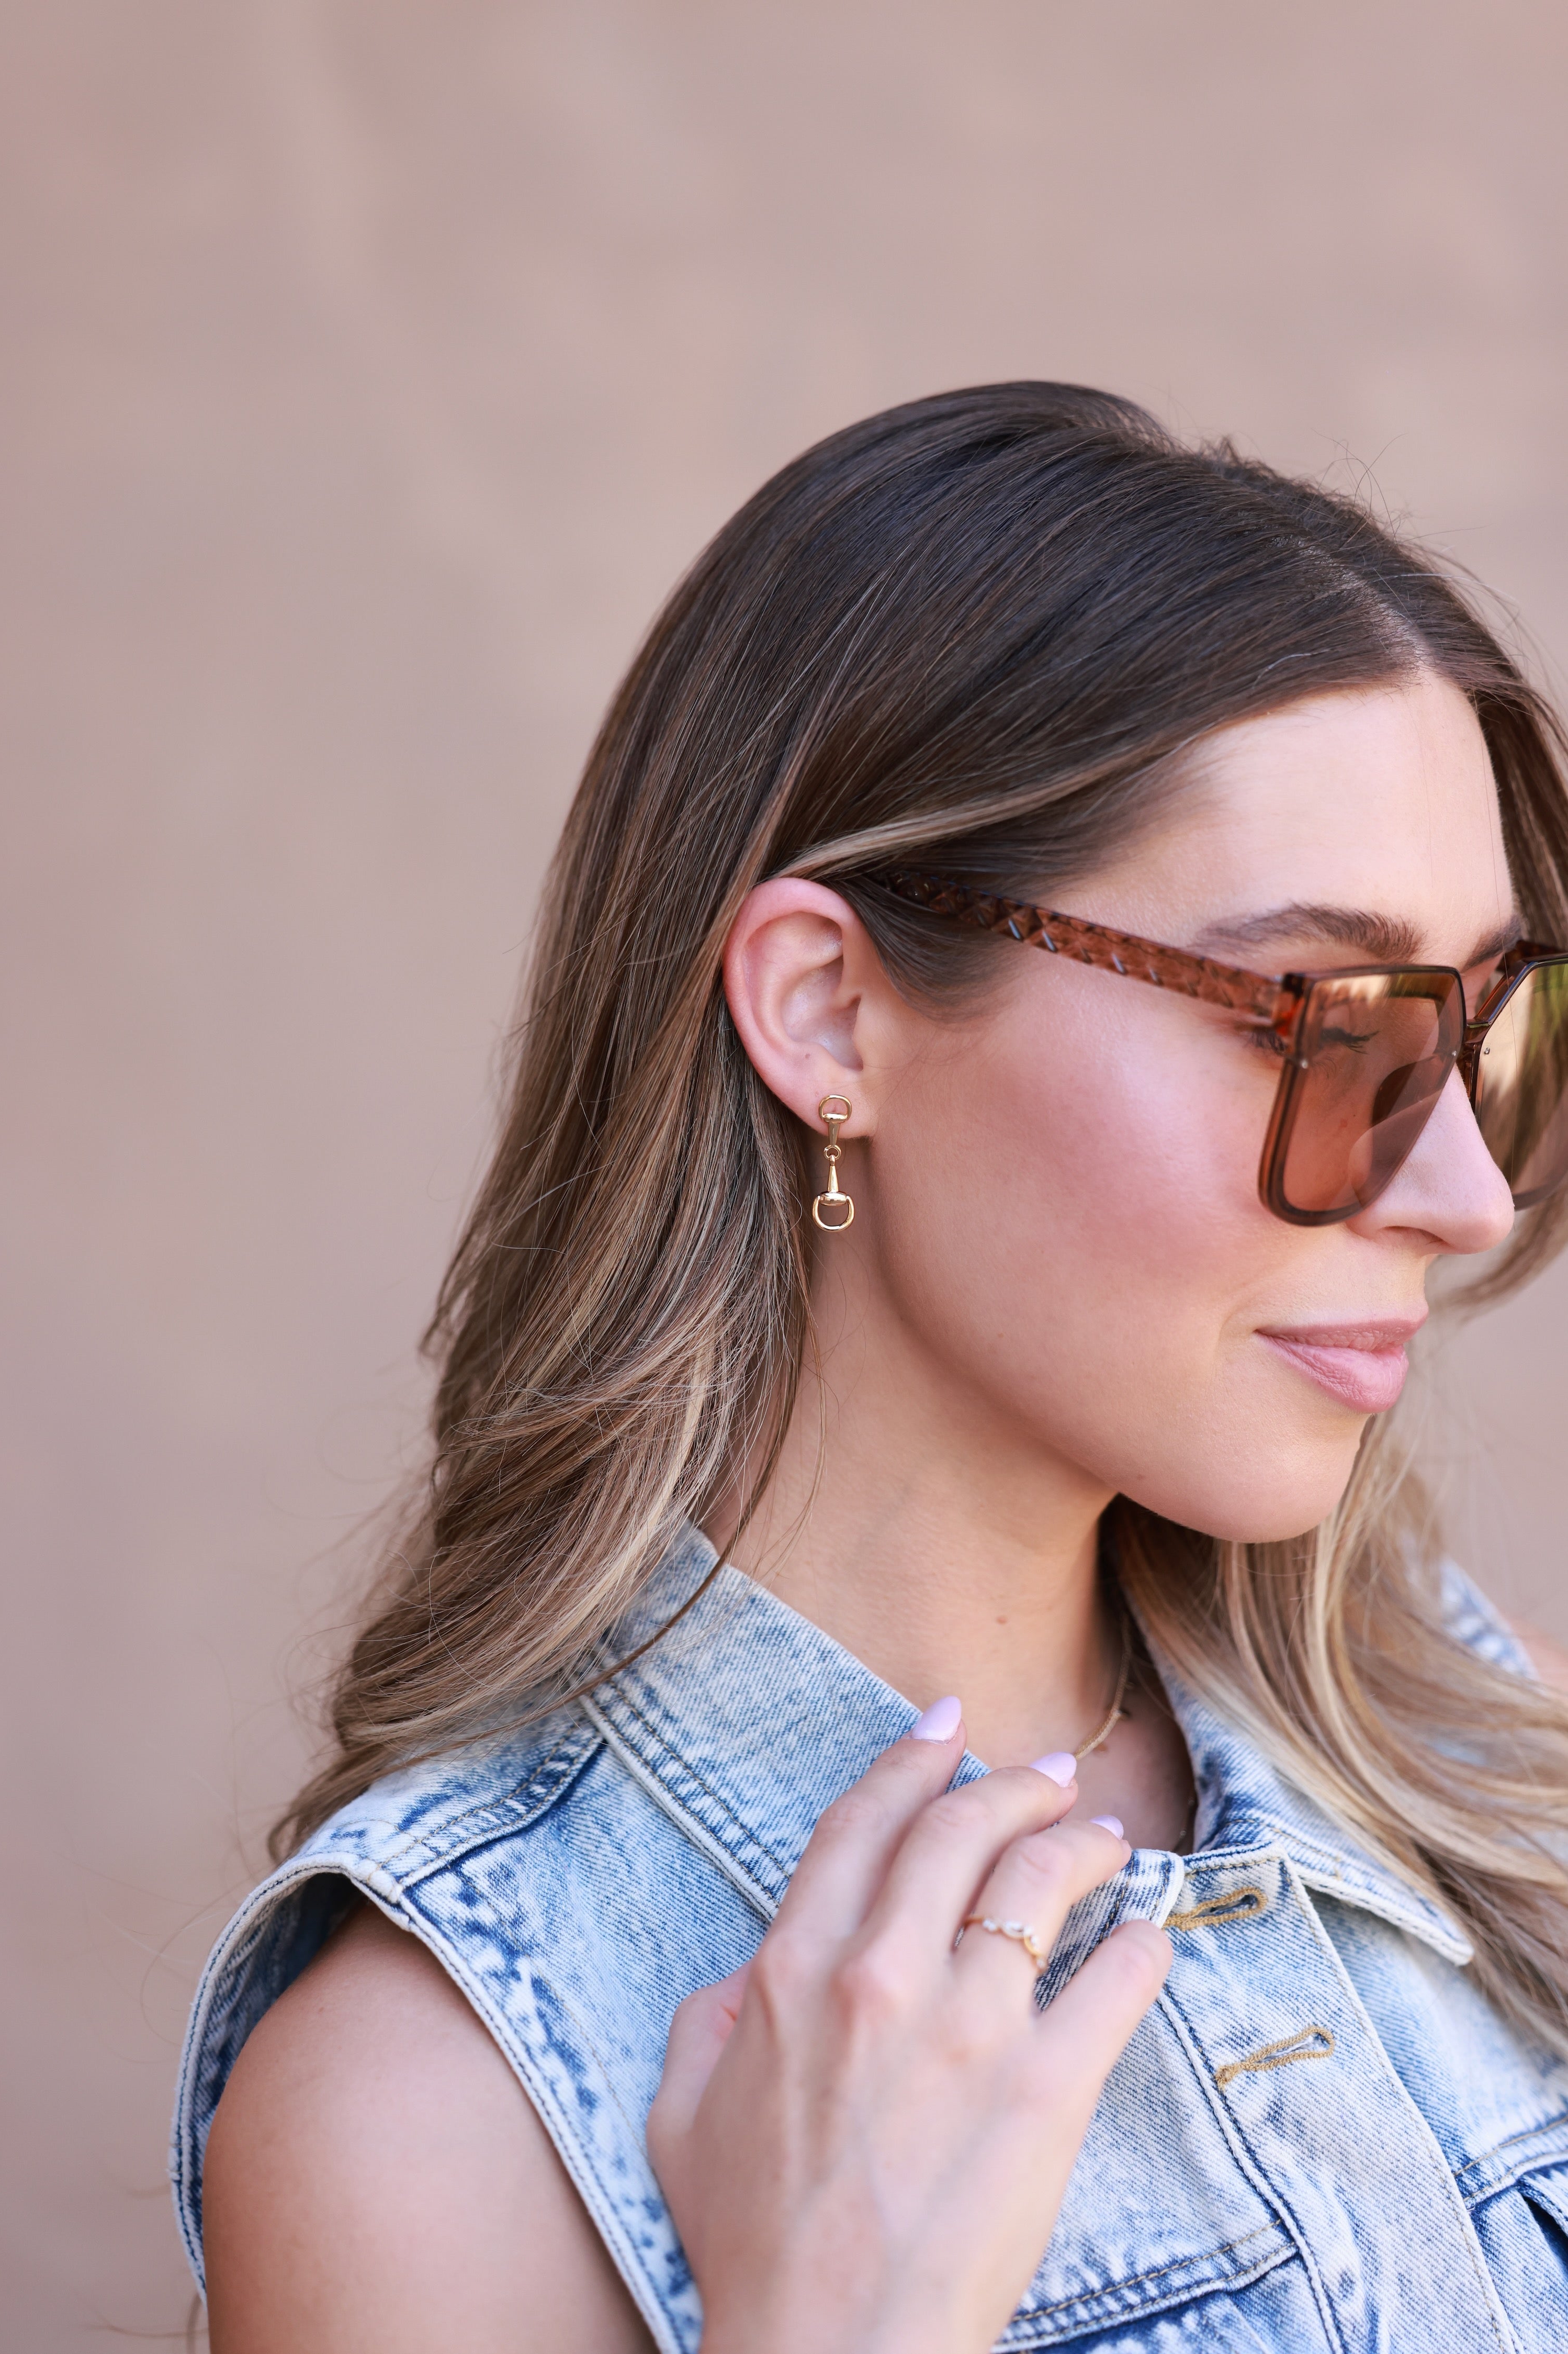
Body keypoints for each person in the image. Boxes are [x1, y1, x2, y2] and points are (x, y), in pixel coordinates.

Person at [177, 386, 1568, 2353]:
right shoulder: (434, 2117)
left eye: (1496, 1024)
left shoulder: (1490, 1765)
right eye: (1330, 1021)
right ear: (831, 1013)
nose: (1463, 1194)